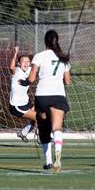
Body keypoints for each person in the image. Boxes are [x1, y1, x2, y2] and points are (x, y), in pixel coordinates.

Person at [24, 30, 71, 173]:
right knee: (57, 128)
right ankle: (58, 157)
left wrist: (24, 82)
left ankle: (48, 161)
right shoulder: (64, 58)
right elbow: (67, 82)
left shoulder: (39, 56)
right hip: (58, 95)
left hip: (42, 96)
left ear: (45, 42)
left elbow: (31, 79)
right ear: (58, 41)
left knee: (44, 128)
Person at [9, 46, 39, 143]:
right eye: (23, 61)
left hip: (26, 102)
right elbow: (11, 67)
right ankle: (41, 137)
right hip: (17, 106)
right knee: (39, 117)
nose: (26, 63)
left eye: (27, 61)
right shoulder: (16, 71)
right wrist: (15, 53)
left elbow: (37, 65)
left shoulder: (30, 70)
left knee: (40, 114)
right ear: (19, 63)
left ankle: (24, 133)